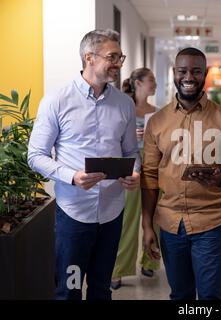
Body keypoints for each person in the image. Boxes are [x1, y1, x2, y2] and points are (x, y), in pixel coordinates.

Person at [28, 29, 141, 300]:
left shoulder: (125, 104)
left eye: (120, 57)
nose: (118, 64)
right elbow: (35, 155)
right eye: (112, 57)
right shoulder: (57, 100)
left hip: (112, 214)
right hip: (73, 217)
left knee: (101, 288)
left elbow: (131, 151)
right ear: (89, 57)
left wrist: (134, 171)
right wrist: (71, 176)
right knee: (70, 288)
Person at [140, 47, 221, 300]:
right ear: (174, 73)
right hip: (169, 223)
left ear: (205, 74)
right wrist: (147, 225)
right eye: (183, 71)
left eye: (196, 71)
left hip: (209, 221)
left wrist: (220, 177)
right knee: (180, 295)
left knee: (210, 297)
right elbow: (150, 176)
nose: (189, 76)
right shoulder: (157, 121)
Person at [111, 68, 161, 290]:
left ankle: (150, 261)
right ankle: (118, 270)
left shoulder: (157, 112)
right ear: (138, 83)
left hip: (153, 168)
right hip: (130, 169)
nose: (155, 84)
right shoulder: (123, 107)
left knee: (154, 218)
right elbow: (112, 138)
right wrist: (132, 135)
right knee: (127, 221)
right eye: (151, 80)